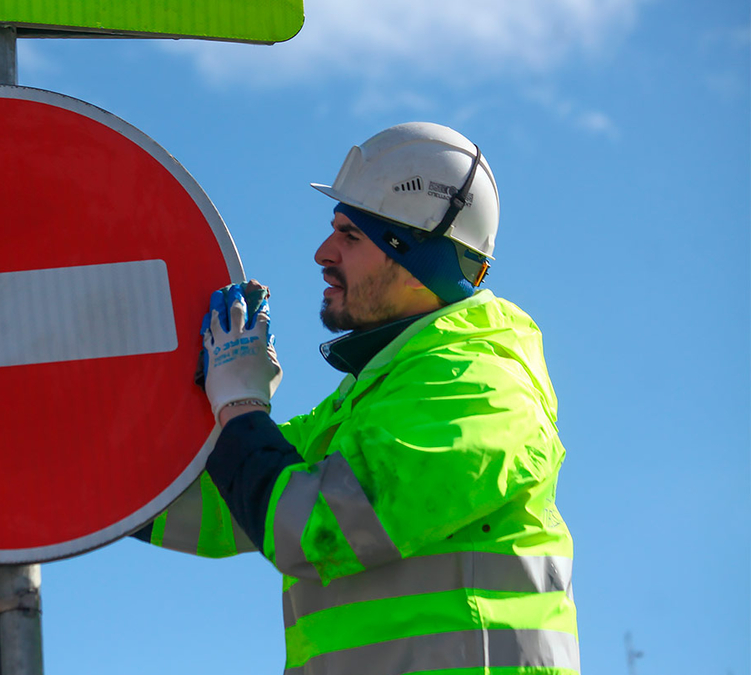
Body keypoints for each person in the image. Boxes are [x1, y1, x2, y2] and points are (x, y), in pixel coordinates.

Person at [135, 122, 578, 674]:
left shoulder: (477, 387)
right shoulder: (374, 396)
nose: (322, 253)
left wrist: (240, 407)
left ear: (413, 257)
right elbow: (213, 509)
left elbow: (314, 528)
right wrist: (81, 475)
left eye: (350, 236)